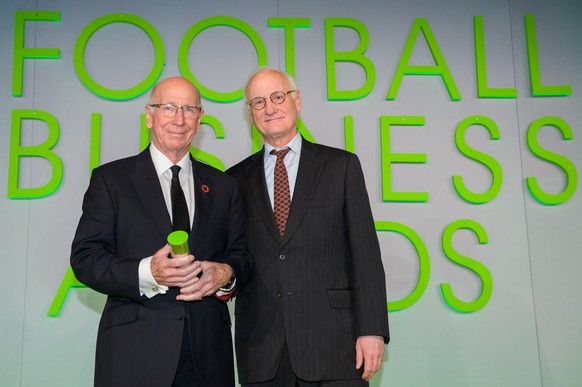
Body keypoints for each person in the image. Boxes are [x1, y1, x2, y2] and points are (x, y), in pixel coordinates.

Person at [70, 76, 252, 387]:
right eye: (168, 108)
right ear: (149, 115)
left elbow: (242, 254)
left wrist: (225, 273)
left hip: (208, 358)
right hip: (134, 355)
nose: (179, 119)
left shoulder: (224, 186)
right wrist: (149, 272)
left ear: (200, 119)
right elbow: (86, 259)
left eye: (189, 109)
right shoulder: (111, 180)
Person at [226, 68, 389, 386]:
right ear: (250, 114)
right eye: (258, 102)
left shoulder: (341, 166)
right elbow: (234, 258)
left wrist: (372, 330)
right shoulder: (233, 181)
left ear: (296, 100)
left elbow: (365, 255)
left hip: (336, 348)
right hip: (262, 351)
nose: (269, 108)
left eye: (277, 96)